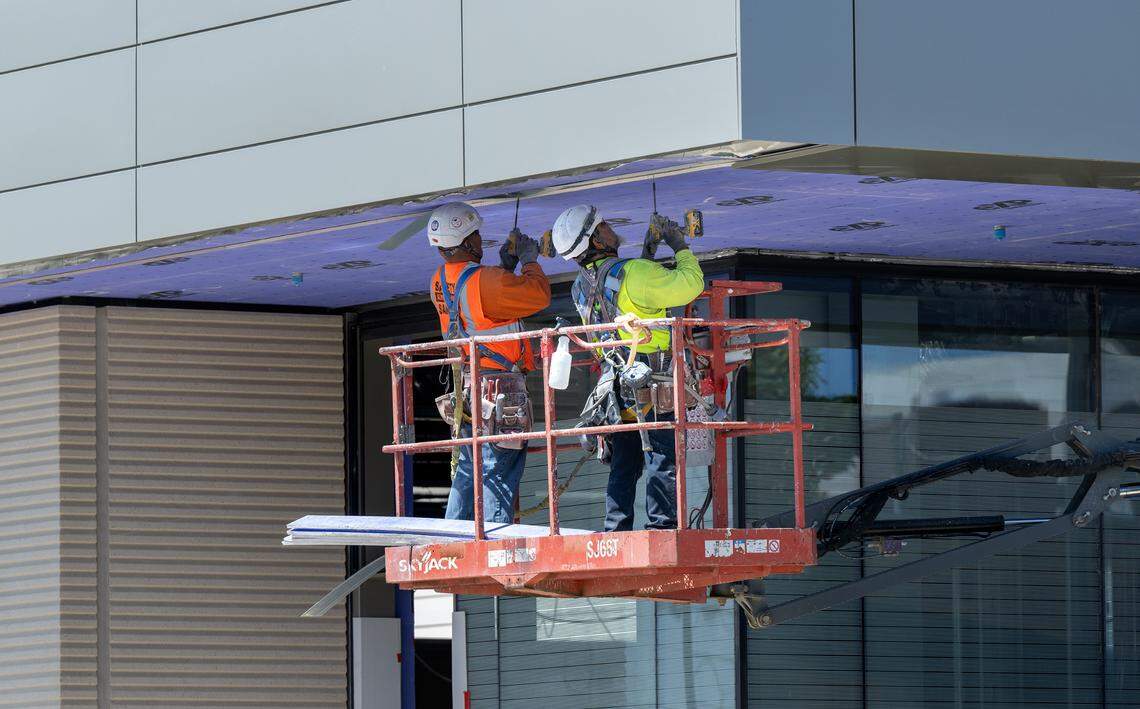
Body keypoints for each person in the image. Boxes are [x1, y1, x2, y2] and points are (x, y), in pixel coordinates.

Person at [551, 205, 704, 531]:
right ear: (596, 240)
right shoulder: (635, 272)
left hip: (615, 383)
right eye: (602, 225)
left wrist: (649, 250)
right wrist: (680, 246)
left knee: (626, 458)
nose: (610, 227)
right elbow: (691, 284)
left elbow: (628, 294)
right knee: (661, 453)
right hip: (651, 378)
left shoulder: (580, 285)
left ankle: (616, 528)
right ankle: (662, 527)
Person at [426, 202, 550, 523]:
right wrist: (529, 261)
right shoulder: (489, 281)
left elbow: (483, 306)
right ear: (467, 242)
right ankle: (496, 545)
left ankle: (453, 536)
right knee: (499, 470)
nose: (482, 240)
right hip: (500, 391)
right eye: (477, 235)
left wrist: (503, 268)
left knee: (469, 470)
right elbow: (537, 295)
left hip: (468, 387)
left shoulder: (439, 280)